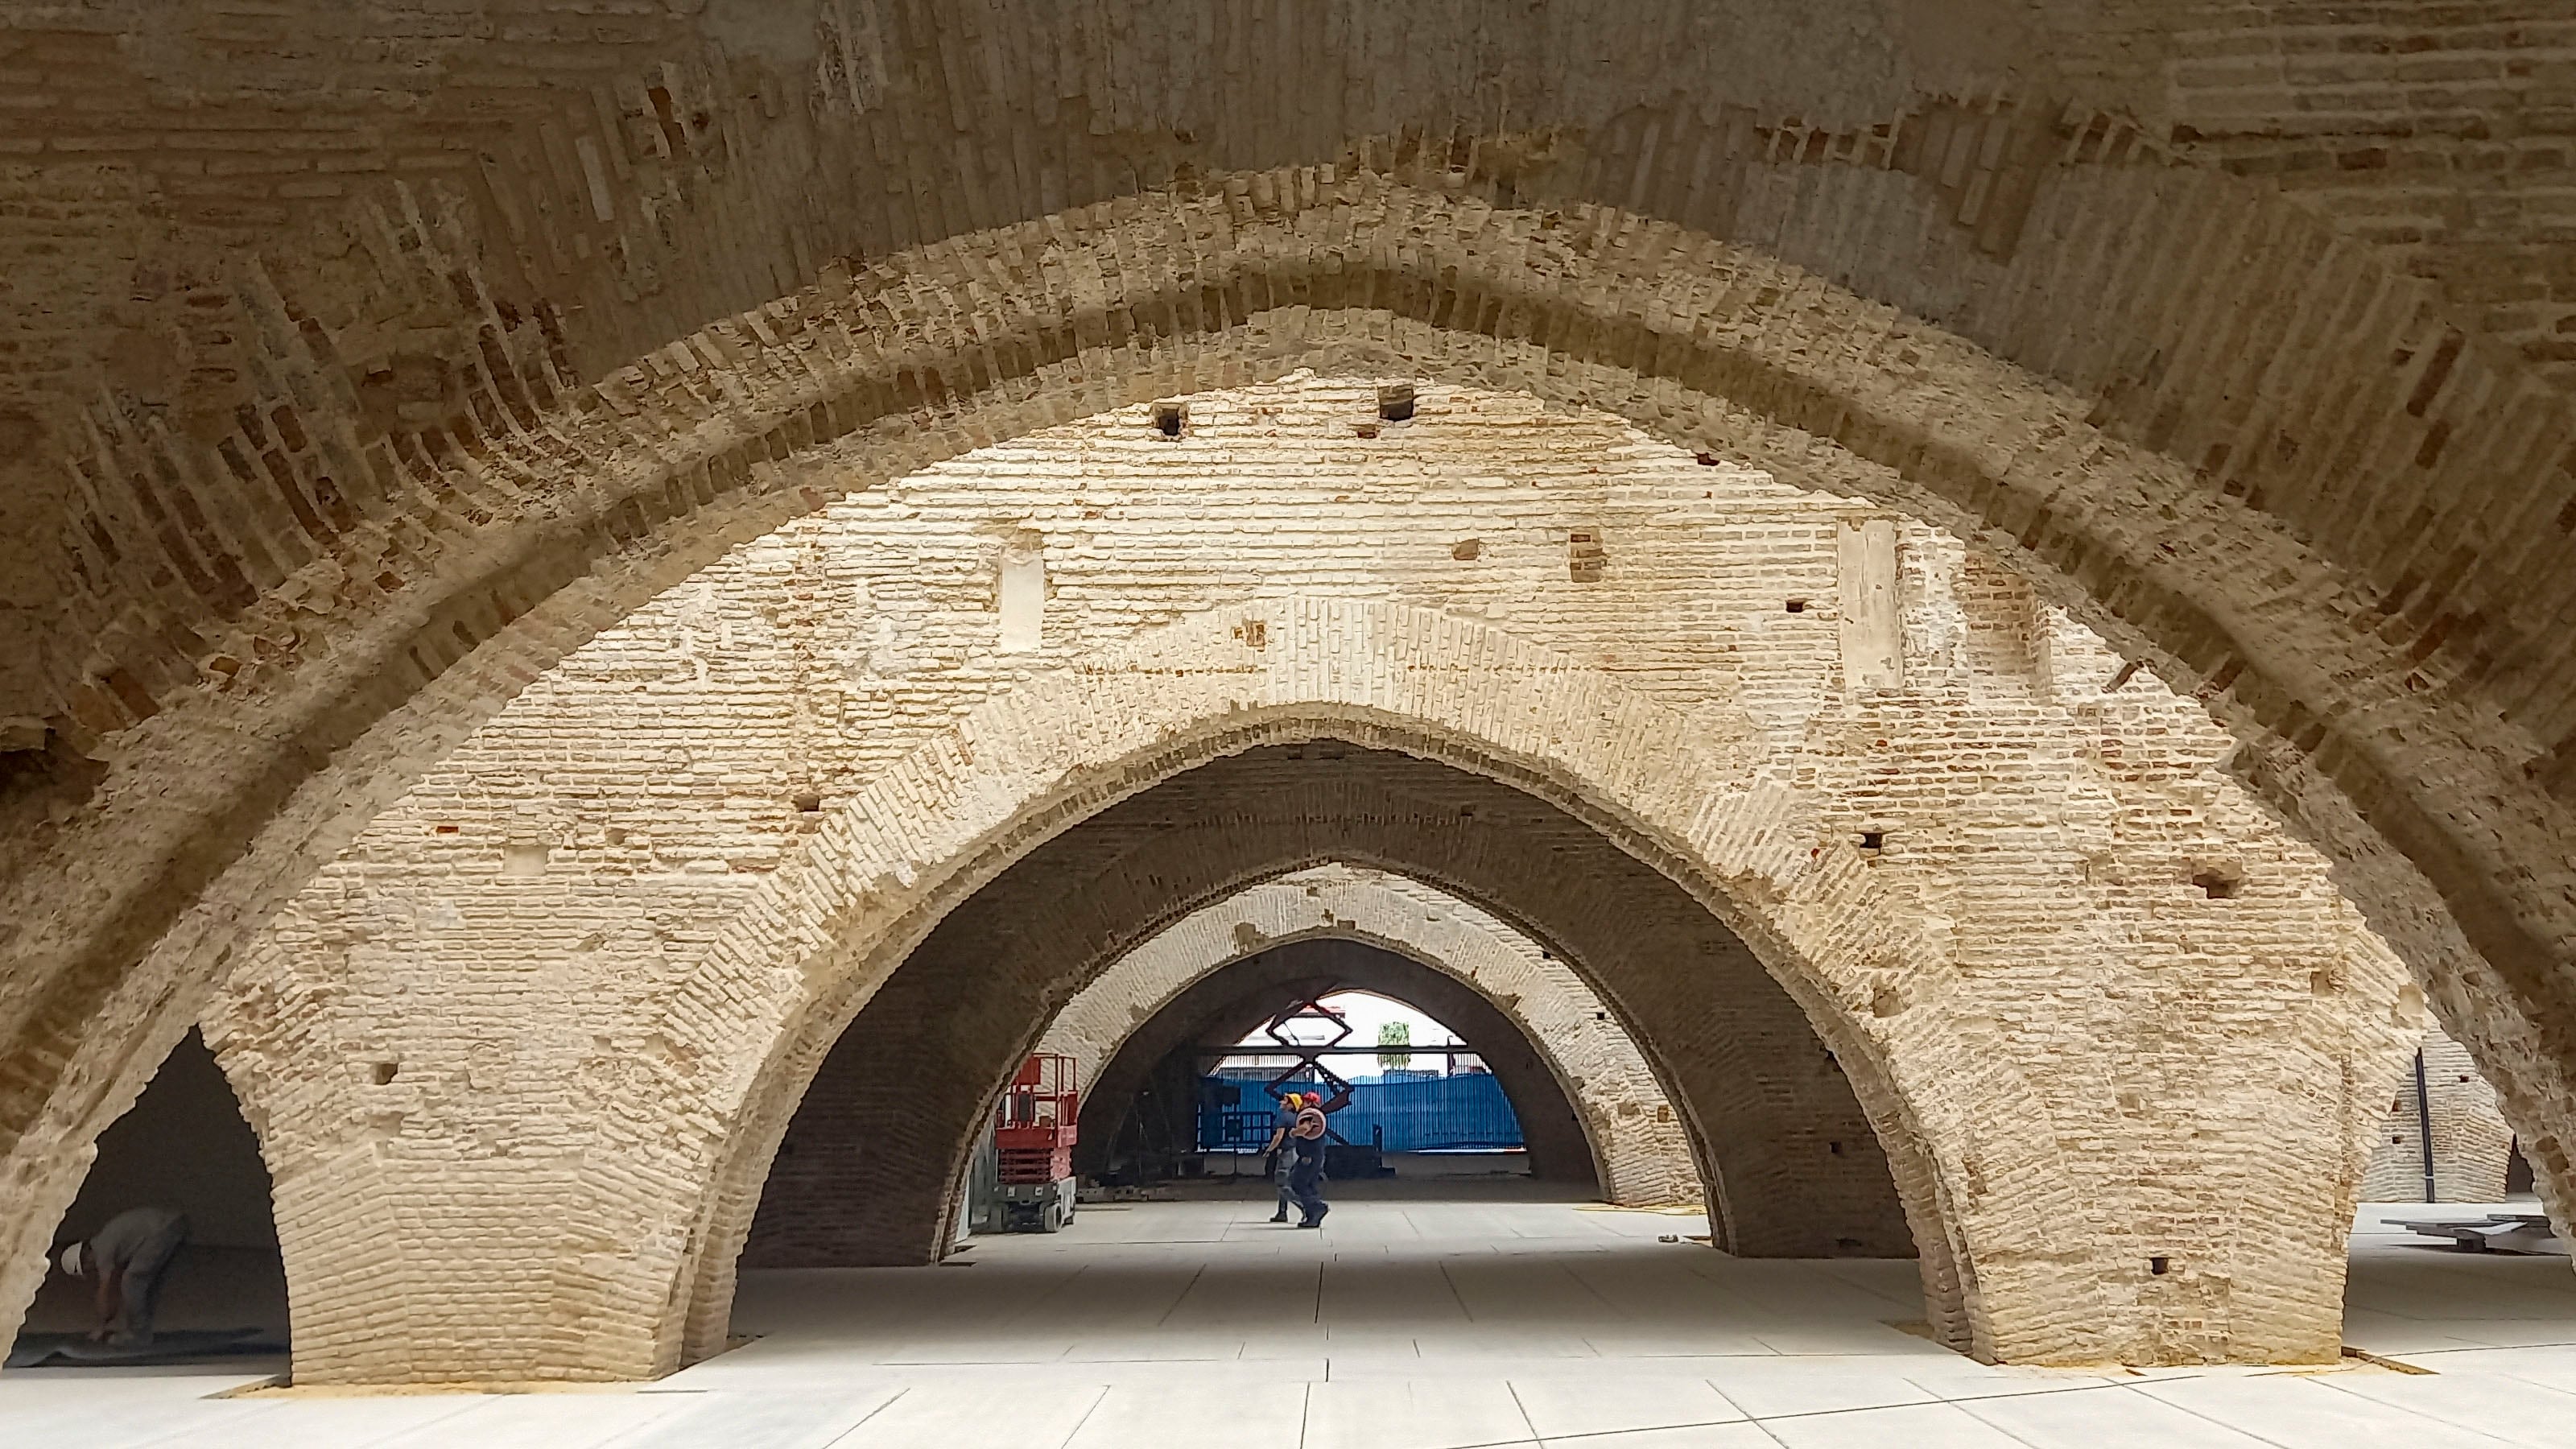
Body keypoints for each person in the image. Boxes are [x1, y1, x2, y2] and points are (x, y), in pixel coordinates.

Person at [57, 1207, 189, 1347]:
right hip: (175, 1223)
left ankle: (139, 1335)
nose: (93, 1271)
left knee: (132, 1282)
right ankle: (144, 1331)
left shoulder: (101, 1251)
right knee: (148, 1285)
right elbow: (116, 1290)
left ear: (85, 1260)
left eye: (88, 1270)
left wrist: (101, 1327)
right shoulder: (108, 1241)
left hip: (162, 1229)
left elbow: (105, 1291)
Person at [1261, 1091, 1307, 1224]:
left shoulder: (1283, 1117)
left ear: (1291, 1105)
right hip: (1294, 1152)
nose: (1281, 1102)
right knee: (1286, 1182)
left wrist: (1269, 1150)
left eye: (1285, 1101)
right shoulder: (1295, 1117)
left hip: (1285, 1153)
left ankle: (1304, 1207)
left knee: (1282, 1184)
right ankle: (1282, 1212)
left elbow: (1278, 1136)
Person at [1286, 1094, 1331, 1228]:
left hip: (1308, 1157)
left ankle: (1317, 1208)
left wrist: (1293, 1132)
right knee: (1310, 1184)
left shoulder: (1308, 1115)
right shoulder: (1319, 1115)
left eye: (1305, 1100)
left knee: (1298, 1183)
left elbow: (1305, 1128)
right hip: (1316, 1156)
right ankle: (1313, 1216)